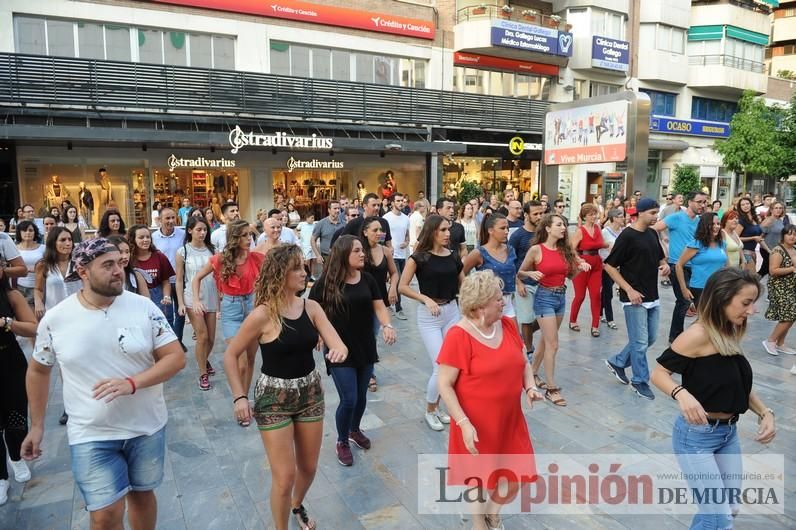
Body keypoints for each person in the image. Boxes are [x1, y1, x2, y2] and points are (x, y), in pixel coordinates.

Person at [22, 238, 185, 530]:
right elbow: (38, 370)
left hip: (146, 426)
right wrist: (36, 425)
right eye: (107, 265)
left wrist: (133, 383)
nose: (118, 271)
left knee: (142, 495)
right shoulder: (56, 319)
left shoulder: (143, 308)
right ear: (82, 271)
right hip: (91, 433)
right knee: (104, 515)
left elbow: (174, 358)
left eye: (120, 264)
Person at [224, 245, 346, 530]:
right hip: (273, 399)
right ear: (280, 273)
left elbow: (336, 341)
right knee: (284, 476)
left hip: (310, 394)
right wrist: (239, 396)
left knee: (309, 468)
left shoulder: (311, 307)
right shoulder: (262, 315)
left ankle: (296, 504)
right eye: (297, 268)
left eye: (304, 267)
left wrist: (338, 350)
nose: (304, 273)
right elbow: (231, 355)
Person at [650, 268, 776, 530]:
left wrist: (765, 412)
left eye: (753, 303)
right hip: (696, 437)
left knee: (726, 509)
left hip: (727, 435)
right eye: (746, 303)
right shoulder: (698, 335)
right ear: (722, 298)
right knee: (718, 518)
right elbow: (659, 373)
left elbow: (737, 384)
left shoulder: (729, 329)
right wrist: (680, 393)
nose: (752, 311)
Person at [437, 270, 542, 530]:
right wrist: (463, 423)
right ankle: (478, 522)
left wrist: (529, 386)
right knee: (480, 478)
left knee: (517, 474)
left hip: (509, 418)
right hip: (475, 422)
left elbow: (522, 361)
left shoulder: (506, 325)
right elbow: (444, 384)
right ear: (481, 306)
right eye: (497, 298)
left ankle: (491, 512)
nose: (503, 301)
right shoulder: (458, 336)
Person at [309, 236, 395, 466]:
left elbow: (379, 306)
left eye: (362, 250)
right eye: (357, 250)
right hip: (338, 350)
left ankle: (354, 430)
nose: (362, 254)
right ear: (343, 254)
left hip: (365, 346)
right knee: (349, 399)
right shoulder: (325, 283)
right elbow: (312, 311)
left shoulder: (367, 279)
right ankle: (341, 440)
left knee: (361, 397)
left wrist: (387, 325)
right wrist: (318, 333)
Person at [194, 220, 264, 421]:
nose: (248, 239)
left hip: (252, 306)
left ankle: (245, 399)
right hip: (231, 309)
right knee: (240, 360)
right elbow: (197, 278)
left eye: (249, 235)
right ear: (234, 238)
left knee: (250, 359)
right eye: (243, 235)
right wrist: (197, 300)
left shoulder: (257, 258)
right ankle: (239, 399)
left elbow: (276, 268)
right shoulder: (221, 259)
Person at [398, 215, 463, 431]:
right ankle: (430, 410)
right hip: (430, 317)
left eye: (448, 230)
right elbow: (402, 286)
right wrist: (424, 299)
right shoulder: (419, 258)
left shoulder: (453, 256)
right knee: (440, 366)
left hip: (452, 311)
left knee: (453, 365)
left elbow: (463, 284)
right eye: (443, 230)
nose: (447, 234)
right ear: (432, 231)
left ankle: (439, 406)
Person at [517, 214, 588, 406]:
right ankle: (551, 388)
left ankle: (531, 373)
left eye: (564, 224)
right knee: (553, 344)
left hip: (560, 297)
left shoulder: (566, 250)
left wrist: (581, 267)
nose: (563, 228)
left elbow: (570, 276)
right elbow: (520, 272)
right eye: (559, 225)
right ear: (548, 228)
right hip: (544, 298)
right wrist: (530, 273)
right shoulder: (536, 250)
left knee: (546, 341)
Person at [604, 198, 670, 400]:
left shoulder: (652, 233)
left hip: (652, 294)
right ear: (639, 213)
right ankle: (640, 380)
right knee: (640, 342)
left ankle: (618, 361)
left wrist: (665, 265)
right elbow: (609, 265)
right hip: (633, 297)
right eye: (652, 212)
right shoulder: (627, 236)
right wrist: (628, 290)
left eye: (657, 212)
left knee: (648, 339)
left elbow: (660, 257)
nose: (655, 216)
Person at [0, 276, 38, 505]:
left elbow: (33, 328)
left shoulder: (11, 295)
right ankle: (1, 477)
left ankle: (16, 458)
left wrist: (6, 322)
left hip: (9, 361)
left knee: (16, 417)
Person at [654, 190, 706, 344]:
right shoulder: (676, 218)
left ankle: (699, 334)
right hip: (677, 265)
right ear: (689, 202)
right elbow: (654, 229)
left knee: (700, 302)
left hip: (696, 267)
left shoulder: (701, 222)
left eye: (704, 202)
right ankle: (675, 337)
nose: (702, 205)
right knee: (684, 300)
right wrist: (661, 250)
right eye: (699, 202)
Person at [176, 217, 218, 390]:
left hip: (211, 296)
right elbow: (179, 280)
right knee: (202, 337)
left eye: (205, 230)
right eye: (199, 229)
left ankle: (203, 359)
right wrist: (180, 303)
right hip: (192, 298)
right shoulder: (182, 252)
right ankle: (202, 373)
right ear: (190, 230)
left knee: (212, 339)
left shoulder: (212, 249)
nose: (202, 233)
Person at [463, 213, 518, 318]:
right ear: (490, 230)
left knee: (514, 334)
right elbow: (461, 273)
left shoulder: (510, 250)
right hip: (488, 305)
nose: (506, 231)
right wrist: (471, 295)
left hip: (508, 303)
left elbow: (514, 273)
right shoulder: (479, 253)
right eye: (502, 228)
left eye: (507, 228)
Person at [509, 200, 545, 354]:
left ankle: (524, 337)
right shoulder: (517, 235)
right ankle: (529, 351)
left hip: (543, 283)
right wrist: (518, 283)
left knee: (546, 318)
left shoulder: (544, 234)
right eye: (535, 214)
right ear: (526, 215)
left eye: (541, 213)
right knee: (527, 318)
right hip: (524, 282)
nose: (539, 217)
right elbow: (510, 261)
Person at [675, 212, 728, 309]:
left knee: (716, 320)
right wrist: (684, 289)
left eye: (718, 224)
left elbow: (726, 266)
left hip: (719, 288)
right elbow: (678, 265)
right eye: (712, 224)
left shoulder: (722, 244)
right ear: (705, 225)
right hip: (700, 288)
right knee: (706, 320)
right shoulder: (696, 244)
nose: (716, 227)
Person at [568, 203, 607, 337]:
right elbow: (571, 249)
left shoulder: (598, 228)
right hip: (582, 264)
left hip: (596, 263)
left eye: (595, 214)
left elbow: (602, 243)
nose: (594, 216)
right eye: (590, 214)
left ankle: (595, 325)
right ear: (584, 217)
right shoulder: (580, 230)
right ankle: (572, 320)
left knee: (596, 295)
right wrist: (579, 261)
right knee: (580, 296)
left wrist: (613, 244)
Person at [151, 207, 186, 347]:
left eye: (173, 218)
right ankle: (169, 343)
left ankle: (178, 341)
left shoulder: (182, 235)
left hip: (179, 280)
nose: (171, 221)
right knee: (165, 313)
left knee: (181, 312)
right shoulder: (153, 238)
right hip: (162, 282)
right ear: (159, 220)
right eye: (167, 218)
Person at [762, 224, 796, 357]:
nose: (792, 236)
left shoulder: (794, 248)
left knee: (792, 315)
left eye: (794, 234)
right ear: (783, 235)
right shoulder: (777, 251)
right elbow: (773, 271)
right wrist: (792, 269)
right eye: (789, 234)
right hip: (780, 287)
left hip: (792, 286)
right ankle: (770, 340)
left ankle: (780, 343)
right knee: (788, 314)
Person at [382, 193, 410, 319]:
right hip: (391, 255)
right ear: (392, 203)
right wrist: (387, 249)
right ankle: (398, 308)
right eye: (398, 201)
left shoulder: (406, 218)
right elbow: (382, 237)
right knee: (397, 281)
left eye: (402, 201)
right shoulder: (386, 218)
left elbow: (407, 235)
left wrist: (407, 242)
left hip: (402, 255)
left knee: (399, 281)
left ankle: (388, 304)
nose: (400, 203)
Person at [600, 208, 625, 331]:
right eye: (621, 216)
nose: (623, 218)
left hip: (619, 266)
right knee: (608, 292)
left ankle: (599, 313)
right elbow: (602, 249)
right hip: (606, 266)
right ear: (614, 218)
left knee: (605, 292)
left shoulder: (623, 232)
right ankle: (610, 318)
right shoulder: (605, 232)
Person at [14, 220, 44, 307]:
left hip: (39, 287)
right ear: (19, 233)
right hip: (19, 286)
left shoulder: (43, 248)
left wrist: (37, 269)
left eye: (31, 230)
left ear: (35, 232)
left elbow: (50, 266)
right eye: (24, 230)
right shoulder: (14, 249)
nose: (28, 233)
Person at [759, 201, 791, 279]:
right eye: (776, 208)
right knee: (767, 270)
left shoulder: (779, 220)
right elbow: (760, 238)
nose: (778, 210)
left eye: (780, 208)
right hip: (768, 250)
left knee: (766, 270)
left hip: (776, 250)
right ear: (771, 210)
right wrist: (769, 251)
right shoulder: (769, 220)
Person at [735, 197, 762, 274]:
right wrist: (753, 238)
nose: (745, 206)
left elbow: (759, 236)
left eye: (747, 203)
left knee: (750, 277)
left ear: (751, 205)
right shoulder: (741, 220)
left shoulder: (755, 218)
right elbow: (736, 238)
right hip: (744, 252)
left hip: (753, 252)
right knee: (752, 277)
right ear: (740, 207)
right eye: (742, 205)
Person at [311, 200, 341, 268]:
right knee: (328, 277)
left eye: (339, 208)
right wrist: (318, 255)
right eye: (335, 208)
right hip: (327, 257)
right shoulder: (321, 223)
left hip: (341, 256)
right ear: (329, 210)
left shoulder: (344, 223)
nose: (337, 210)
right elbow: (312, 240)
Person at [296, 213, 317, 280]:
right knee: (307, 261)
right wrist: (298, 236)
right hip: (305, 245)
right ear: (307, 218)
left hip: (313, 245)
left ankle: (312, 275)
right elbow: (296, 230)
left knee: (313, 260)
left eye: (313, 218)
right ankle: (307, 275)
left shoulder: (315, 225)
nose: (313, 219)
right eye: (311, 218)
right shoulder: (302, 224)